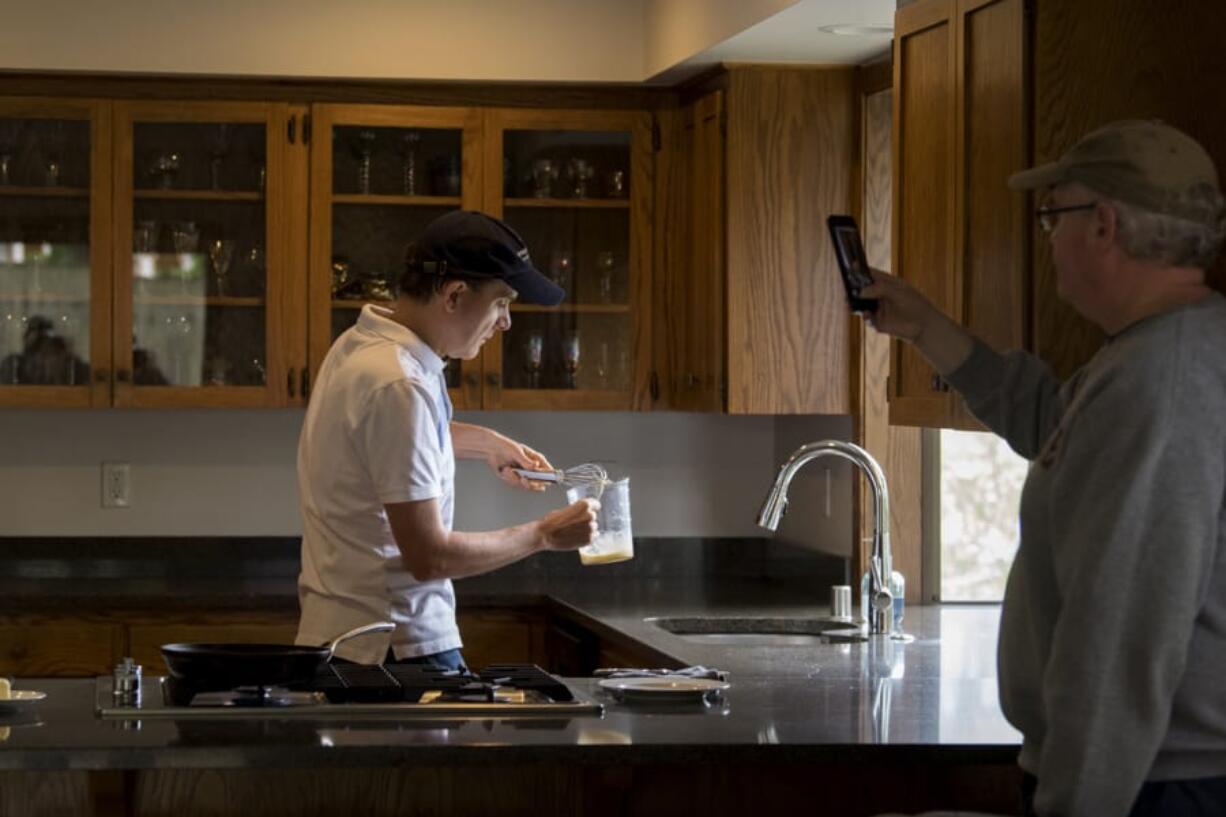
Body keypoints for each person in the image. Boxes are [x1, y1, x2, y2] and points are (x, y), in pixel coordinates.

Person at [863, 120, 1226, 817]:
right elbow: (1055, 429)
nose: (1047, 237)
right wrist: (926, 328)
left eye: (1052, 215)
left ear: (1104, 225)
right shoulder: (1149, 354)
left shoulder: (1163, 384)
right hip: (1140, 774)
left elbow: (1119, 638)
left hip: (1149, 782)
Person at [295, 210, 599, 670]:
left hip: (346, 643)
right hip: (395, 651)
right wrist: (544, 534)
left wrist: (485, 443)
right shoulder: (401, 383)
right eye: (501, 302)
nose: (505, 322)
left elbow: (384, 440)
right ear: (455, 294)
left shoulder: (362, 347)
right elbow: (429, 557)